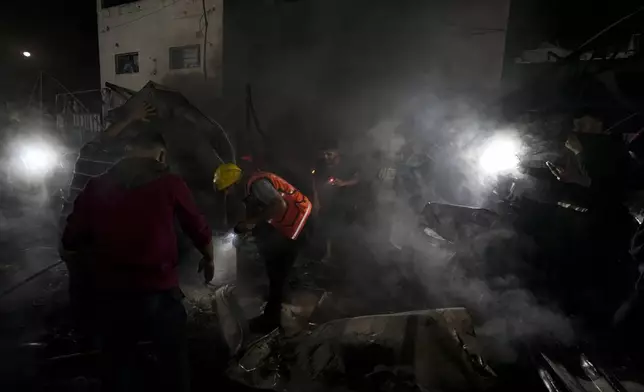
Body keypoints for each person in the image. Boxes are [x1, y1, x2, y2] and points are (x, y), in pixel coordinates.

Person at [61, 131, 214, 392]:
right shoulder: (170, 183)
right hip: (159, 290)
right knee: (173, 364)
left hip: (112, 292)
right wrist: (209, 256)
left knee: (118, 364)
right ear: (161, 154)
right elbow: (196, 225)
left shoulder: (97, 185)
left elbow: (71, 238)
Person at [59, 101, 156, 338]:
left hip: (84, 234)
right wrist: (131, 118)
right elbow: (101, 142)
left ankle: (91, 333)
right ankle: (88, 336)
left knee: (93, 287)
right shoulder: (97, 157)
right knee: (89, 286)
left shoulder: (112, 160)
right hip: (79, 233)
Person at [213, 163, 312, 333]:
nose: (227, 194)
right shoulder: (250, 188)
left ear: (234, 183)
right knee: (274, 266)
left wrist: (251, 223)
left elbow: (278, 205)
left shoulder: (257, 184)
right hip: (288, 223)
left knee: (278, 270)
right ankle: (281, 304)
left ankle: (273, 320)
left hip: (299, 222)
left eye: (227, 189)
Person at [312, 141, 362, 261]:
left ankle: (349, 254)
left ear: (337, 153)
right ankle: (328, 254)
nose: (326, 157)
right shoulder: (321, 165)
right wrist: (316, 200)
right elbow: (314, 182)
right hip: (328, 200)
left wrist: (344, 183)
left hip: (346, 200)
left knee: (347, 226)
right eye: (324, 154)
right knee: (327, 226)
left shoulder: (348, 163)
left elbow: (358, 178)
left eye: (329, 154)